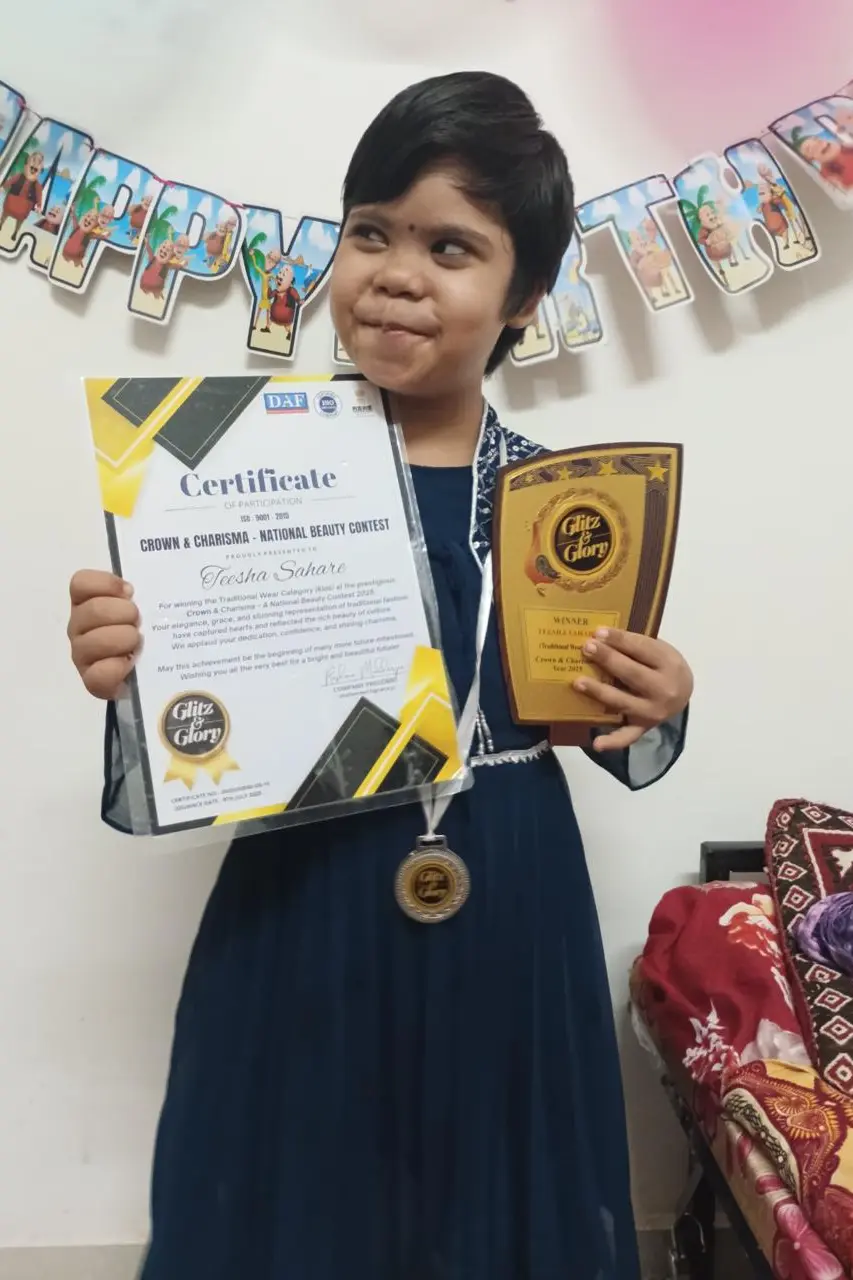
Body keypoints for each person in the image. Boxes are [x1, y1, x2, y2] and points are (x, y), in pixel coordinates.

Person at [66, 72, 693, 1280]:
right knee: (286, 1194)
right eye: (371, 231)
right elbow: (192, 739)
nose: (396, 274)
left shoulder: (567, 502)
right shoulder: (225, 476)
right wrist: (133, 671)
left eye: (450, 247)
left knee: (500, 1201)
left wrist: (654, 705)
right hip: (300, 891)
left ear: (524, 296)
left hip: (509, 894)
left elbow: (620, 734)